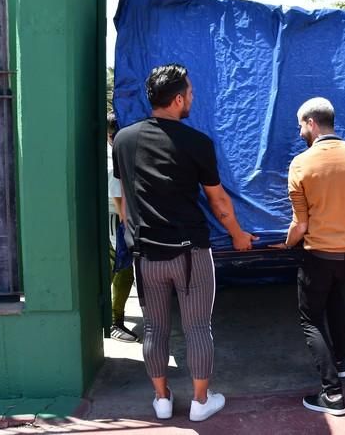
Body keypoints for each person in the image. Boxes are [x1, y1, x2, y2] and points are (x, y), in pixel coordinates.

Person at [113, 63, 257, 422]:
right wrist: (239, 235)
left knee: (156, 328)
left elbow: (125, 197)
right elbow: (219, 202)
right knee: (197, 328)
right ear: (178, 100)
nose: (193, 97)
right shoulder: (197, 143)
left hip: (146, 254)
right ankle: (199, 402)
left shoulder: (123, 140)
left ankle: (161, 400)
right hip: (190, 252)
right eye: (190, 93)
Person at [278, 97, 345, 416]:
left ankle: (332, 394)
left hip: (318, 254)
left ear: (311, 123)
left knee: (310, 318)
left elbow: (300, 224)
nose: (299, 133)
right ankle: (343, 362)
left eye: (300, 127)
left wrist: (286, 243)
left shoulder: (301, 164)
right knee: (335, 298)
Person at [107, 112, 138, 342]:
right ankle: (114, 322)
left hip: (118, 217)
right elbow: (118, 198)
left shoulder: (114, 153)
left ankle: (113, 320)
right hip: (117, 219)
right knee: (122, 270)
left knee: (121, 269)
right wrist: (127, 225)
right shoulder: (113, 161)